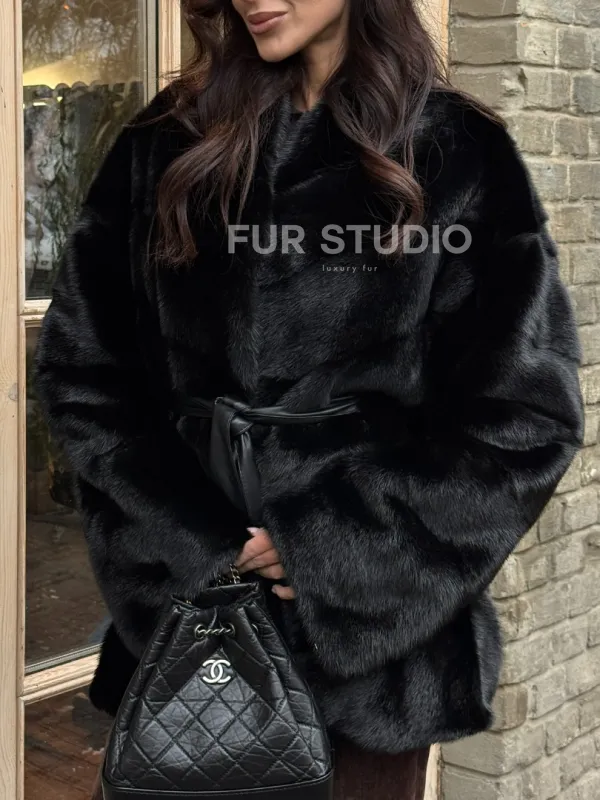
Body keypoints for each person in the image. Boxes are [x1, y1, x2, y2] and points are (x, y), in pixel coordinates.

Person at [34, 0, 584, 797]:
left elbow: (525, 419)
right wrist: (192, 543)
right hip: (189, 637)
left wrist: (336, 549)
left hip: (371, 670)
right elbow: (85, 372)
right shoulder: (169, 141)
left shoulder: (458, 151)